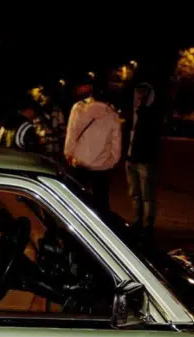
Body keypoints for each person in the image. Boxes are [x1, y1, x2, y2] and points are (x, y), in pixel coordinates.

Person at [63, 82, 122, 212]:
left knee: (77, 198)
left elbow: (72, 134)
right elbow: (116, 142)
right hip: (102, 165)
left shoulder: (78, 109)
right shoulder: (112, 115)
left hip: (80, 163)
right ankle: (100, 221)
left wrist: (68, 153)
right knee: (101, 200)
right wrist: (111, 161)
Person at [125, 81, 163, 238]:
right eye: (138, 92)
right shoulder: (133, 111)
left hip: (145, 159)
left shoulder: (151, 113)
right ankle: (137, 221)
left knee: (147, 195)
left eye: (143, 93)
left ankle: (147, 225)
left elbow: (152, 136)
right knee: (135, 193)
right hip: (131, 157)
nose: (139, 96)